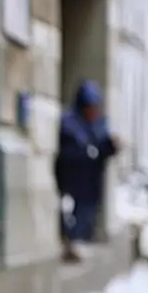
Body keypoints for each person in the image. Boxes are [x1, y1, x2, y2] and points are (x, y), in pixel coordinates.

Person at [55, 80, 117, 256]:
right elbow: (67, 151)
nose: (93, 111)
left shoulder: (98, 123)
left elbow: (103, 147)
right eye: (89, 107)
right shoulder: (69, 122)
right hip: (72, 181)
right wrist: (87, 152)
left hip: (91, 182)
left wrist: (111, 146)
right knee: (71, 216)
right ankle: (71, 244)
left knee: (87, 215)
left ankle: (81, 241)